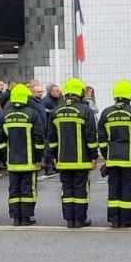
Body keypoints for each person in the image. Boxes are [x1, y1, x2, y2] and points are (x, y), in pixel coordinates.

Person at [48, 78, 98, 228]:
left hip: (63, 160)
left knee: (67, 188)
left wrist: (54, 156)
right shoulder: (85, 111)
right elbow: (91, 137)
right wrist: (94, 156)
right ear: (80, 93)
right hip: (81, 160)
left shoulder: (56, 112)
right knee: (80, 189)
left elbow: (52, 138)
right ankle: (79, 220)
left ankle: (69, 220)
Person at [98, 80, 131, 228]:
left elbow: (102, 138)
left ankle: (114, 220)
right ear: (129, 94)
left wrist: (107, 156)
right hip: (129, 159)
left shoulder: (106, 113)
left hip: (112, 159)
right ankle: (127, 220)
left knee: (113, 189)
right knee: (127, 189)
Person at [0, 84, 45, 226]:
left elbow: (0, 140)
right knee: (27, 188)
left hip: (12, 161)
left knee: (14, 188)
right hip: (29, 161)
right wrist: (38, 157)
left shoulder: (5, 116)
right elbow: (39, 138)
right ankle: (26, 217)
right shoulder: (32, 114)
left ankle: (16, 218)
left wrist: (4, 159)